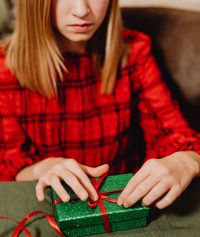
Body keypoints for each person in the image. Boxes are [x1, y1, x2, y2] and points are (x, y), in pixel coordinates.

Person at [0, 0, 199, 210]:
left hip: (126, 207)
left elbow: (174, 132)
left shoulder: (135, 52)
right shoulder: (5, 70)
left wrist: (187, 161)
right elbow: (8, 167)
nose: (81, 11)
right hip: (45, 210)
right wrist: (42, 169)